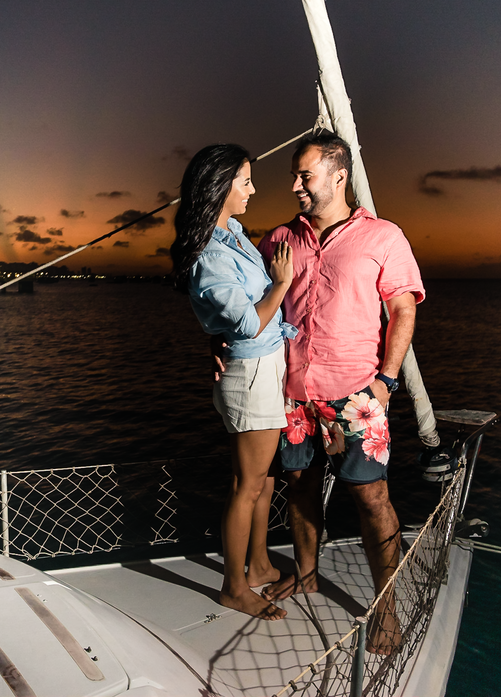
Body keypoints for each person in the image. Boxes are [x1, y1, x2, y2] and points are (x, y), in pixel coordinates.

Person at [257, 131, 424, 655]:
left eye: (305, 175)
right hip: (292, 394)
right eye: (294, 176)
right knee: (300, 486)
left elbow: (403, 309)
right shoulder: (279, 238)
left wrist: (386, 381)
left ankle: (386, 608)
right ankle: (307, 574)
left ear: (339, 176)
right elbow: (254, 307)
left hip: (355, 395)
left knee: (372, 498)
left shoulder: (384, 237)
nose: (295, 185)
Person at [171, 143, 295, 620]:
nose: (253, 189)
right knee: (247, 485)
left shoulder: (234, 235)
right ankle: (233, 587)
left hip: (267, 365)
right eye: (245, 181)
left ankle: (258, 564)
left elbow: (231, 318)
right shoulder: (210, 252)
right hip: (251, 374)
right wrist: (281, 283)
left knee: (263, 480)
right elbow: (246, 323)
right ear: (221, 187)